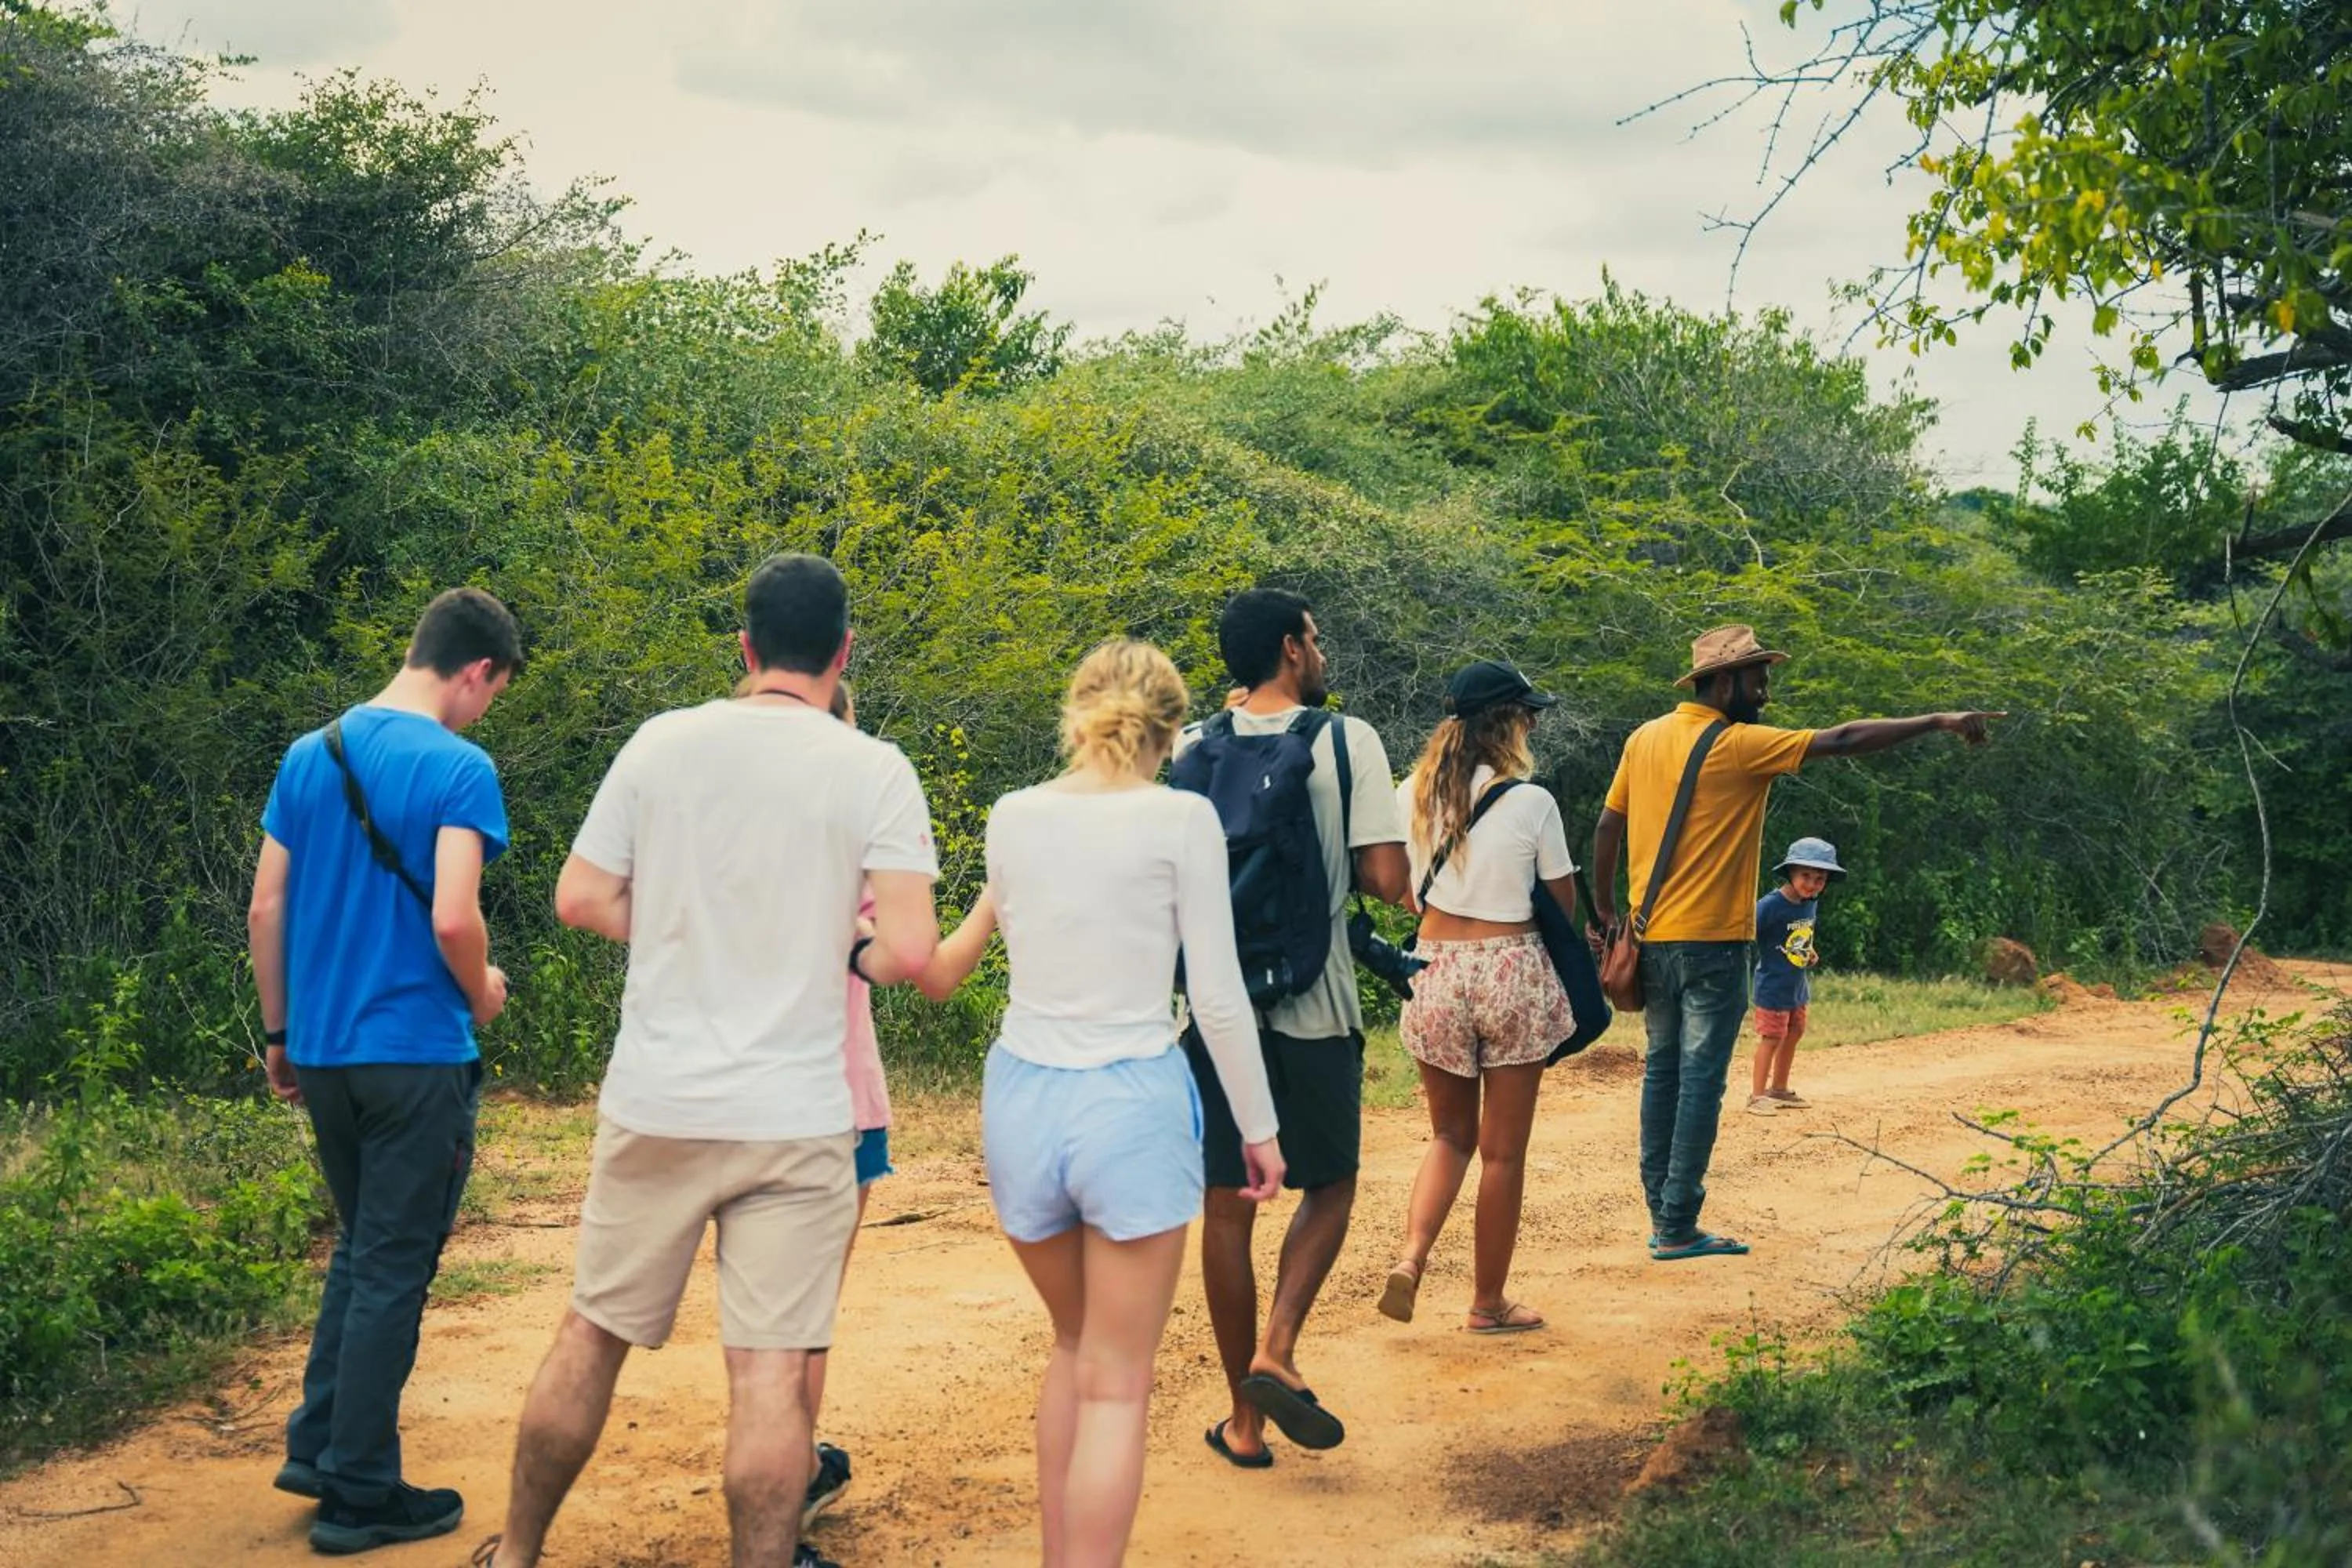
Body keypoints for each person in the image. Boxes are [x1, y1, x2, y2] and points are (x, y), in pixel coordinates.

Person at [482, 554, 939, 1568]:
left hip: (658, 1096)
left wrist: (694, 929)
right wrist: (822, 942)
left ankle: (516, 1554)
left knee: (591, 1334)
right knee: (772, 1377)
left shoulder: (661, 745)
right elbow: (906, 953)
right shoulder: (874, 769)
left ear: (744, 648)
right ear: (843, 653)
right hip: (797, 1112)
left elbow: (580, 898)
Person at [914, 638, 1284, 1563]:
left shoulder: (1012, 814)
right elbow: (1218, 995)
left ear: (1074, 716)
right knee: (1119, 1381)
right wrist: (1260, 1127)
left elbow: (962, 955)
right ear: (1170, 730)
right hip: (1131, 1099)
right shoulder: (1182, 819)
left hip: (1023, 1097)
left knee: (1073, 1345)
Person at [249, 586, 521, 1555]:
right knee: (395, 1264)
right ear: (477, 669)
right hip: (413, 1054)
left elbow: (266, 909)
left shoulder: (308, 754)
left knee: (364, 1247)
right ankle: (361, 1488)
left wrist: (280, 1034)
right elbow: (454, 915)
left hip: (319, 1048)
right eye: (492, 691)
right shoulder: (460, 767)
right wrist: (480, 987)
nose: (484, 710)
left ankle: (319, 1443)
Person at [1589, 625, 2001, 1261]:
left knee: (1662, 1074)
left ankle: (1663, 1213)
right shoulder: (1739, 744)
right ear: (1724, 683)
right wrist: (1939, 719)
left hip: (1652, 941)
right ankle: (1675, 1225)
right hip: (1714, 947)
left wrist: (1609, 910)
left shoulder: (1644, 739)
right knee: (1699, 1080)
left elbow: (1608, 823)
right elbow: (1841, 740)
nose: (1766, 692)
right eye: (1758, 679)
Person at [1180, 589, 1410, 1465]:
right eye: (1314, 639)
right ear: (1289, 648)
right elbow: (1385, 878)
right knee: (1332, 1185)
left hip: (1213, 1010)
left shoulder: (1190, 745)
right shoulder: (1346, 741)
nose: (1320, 653)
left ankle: (1242, 1422)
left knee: (1229, 1207)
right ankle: (1278, 1345)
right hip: (1315, 1001)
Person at [1377, 660, 1577, 1336]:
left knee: (1448, 1136)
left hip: (1430, 968)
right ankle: (1487, 1303)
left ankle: (1411, 1258)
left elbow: (1401, 889)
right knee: (1502, 1153)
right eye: (1530, 713)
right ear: (1510, 723)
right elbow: (1561, 903)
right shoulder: (1531, 802)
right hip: (1508, 970)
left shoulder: (1411, 794)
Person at [800, 681, 891, 1531]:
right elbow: (883, 947)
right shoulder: (861, 806)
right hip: (833, 1087)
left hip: (720, 1089)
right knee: (808, 1297)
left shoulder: (716, 804)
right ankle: (789, 1466)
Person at [1746, 837, 1843, 1117]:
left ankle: (1779, 1088)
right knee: (1771, 1037)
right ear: (1790, 872)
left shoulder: (1809, 903)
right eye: (1806, 876)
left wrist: (1808, 950)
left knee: (1796, 1031)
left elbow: (1797, 936)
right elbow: (1747, 931)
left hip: (1796, 985)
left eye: (1820, 878)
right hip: (1773, 985)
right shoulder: (1770, 905)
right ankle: (1756, 1095)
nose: (1812, 884)